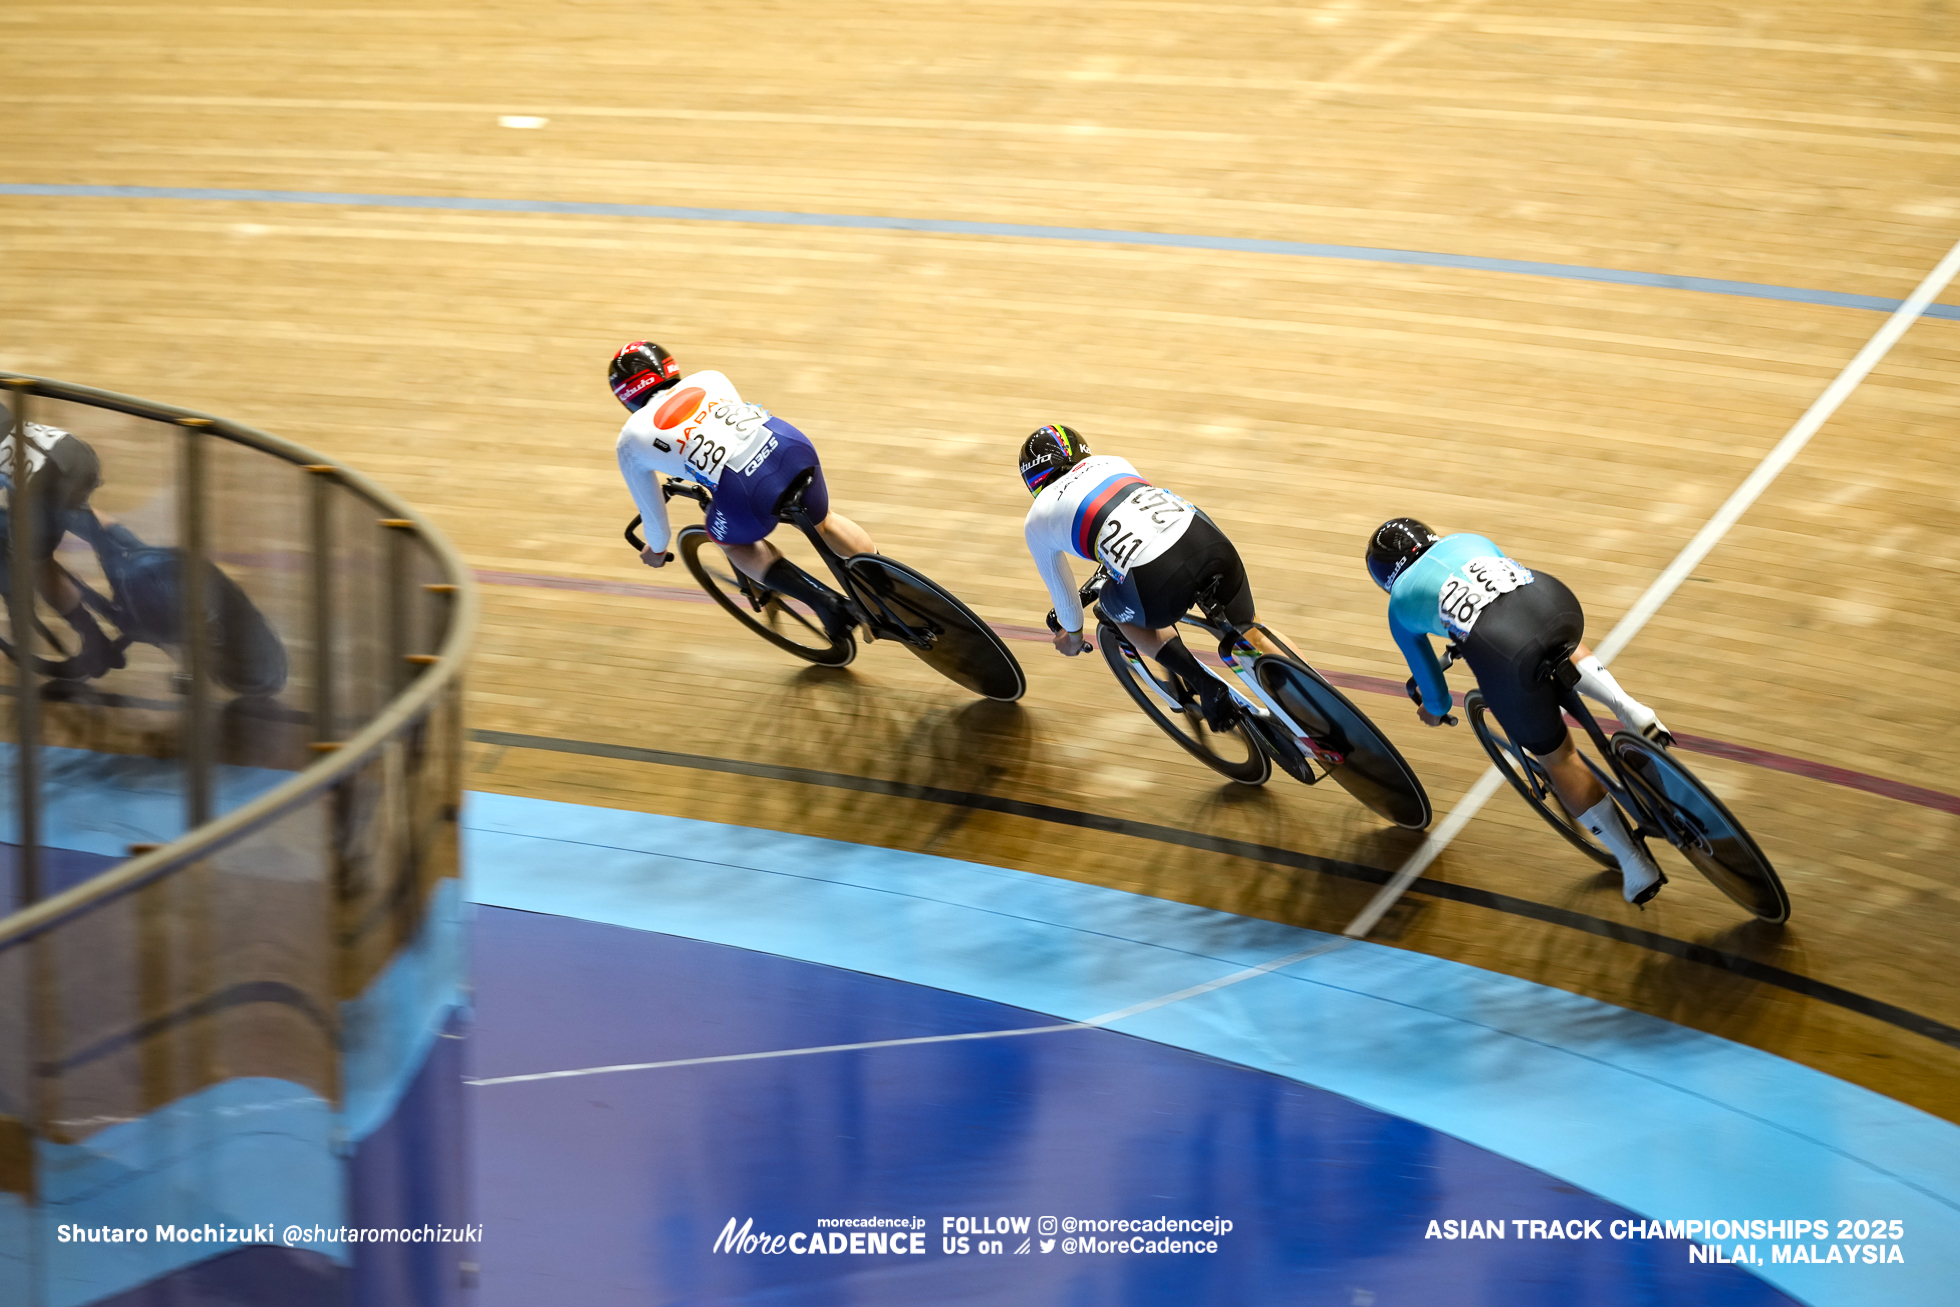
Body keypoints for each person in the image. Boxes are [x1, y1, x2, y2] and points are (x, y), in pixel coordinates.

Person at [1364, 517, 1670, 905]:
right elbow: (1506, 603)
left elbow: (1435, 691)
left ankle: (1634, 862)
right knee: (1551, 638)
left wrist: (1434, 709)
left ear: (1385, 578)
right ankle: (1629, 707)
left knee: (1560, 758)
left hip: (1505, 650)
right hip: (1556, 603)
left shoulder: (1400, 604)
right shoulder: (1468, 538)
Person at [1019, 424, 1286, 729]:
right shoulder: (1113, 462)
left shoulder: (1037, 518)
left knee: (1109, 608)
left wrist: (1074, 637)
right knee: (1253, 631)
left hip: (1157, 577)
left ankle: (1206, 685)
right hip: (1208, 540)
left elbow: (1066, 602)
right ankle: (1317, 708)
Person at [608, 341, 876, 636]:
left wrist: (656, 550)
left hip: (743, 485)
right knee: (824, 521)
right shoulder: (711, 377)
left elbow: (656, 523)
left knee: (730, 541)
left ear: (625, 397)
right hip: (789, 443)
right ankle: (888, 590)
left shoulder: (631, 439)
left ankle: (827, 605)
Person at [0, 419, 124, 679]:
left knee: (35, 565)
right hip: (75, 452)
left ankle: (95, 641)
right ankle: (127, 548)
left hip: (47, 481)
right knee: (63, 512)